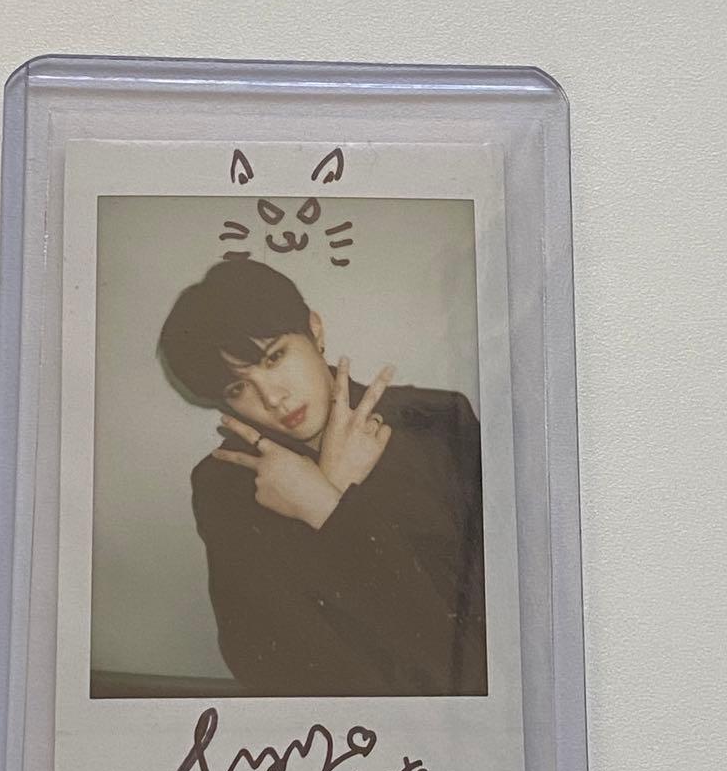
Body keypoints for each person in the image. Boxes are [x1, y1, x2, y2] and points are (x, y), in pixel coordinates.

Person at [158, 259, 487, 697]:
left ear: (314, 330)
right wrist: (324, 504)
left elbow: (480, 642)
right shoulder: (225, 482)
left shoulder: (439, 421)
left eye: (275, 357)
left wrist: (328, 505)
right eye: (237, 388)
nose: (272, 398)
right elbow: (263, 662)